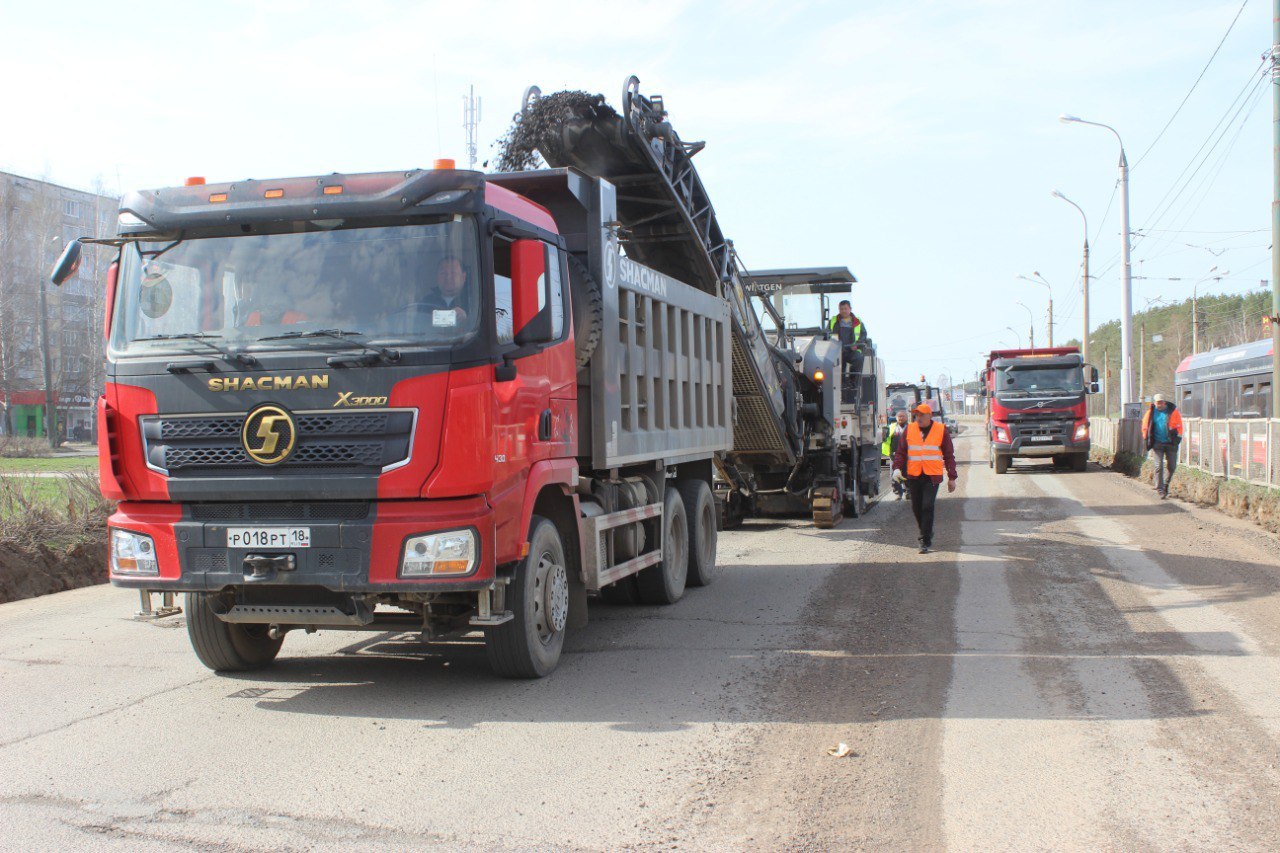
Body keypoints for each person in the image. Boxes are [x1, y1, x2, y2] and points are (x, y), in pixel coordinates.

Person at [891, 402, 958, 553]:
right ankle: (926, 531)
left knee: (927, 506)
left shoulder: (941, 430)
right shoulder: (910, 429)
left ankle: (924, 540)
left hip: (931, 476)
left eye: (921, 415)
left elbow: (949, 455)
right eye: (916, 415)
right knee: (916, 508)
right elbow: (901, 452)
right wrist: (896, 468)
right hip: (913, 476)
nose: (918, 418)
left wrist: (952, 477)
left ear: (930, 416)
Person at [1142, 393, 1183, 499]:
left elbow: (1180, 426)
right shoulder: (1150, 413)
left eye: (1161, 402)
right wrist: (1146, 438)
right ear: (1154, 403)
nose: (1159, 404)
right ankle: (1160, 489)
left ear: (1164, 402)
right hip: (1157, 443)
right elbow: (1145, 426)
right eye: (1157, 402)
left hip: (1171, 443)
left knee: (1172, 467)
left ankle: (1166, 485)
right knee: (1158, 466)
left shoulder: (1173, 411)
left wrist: (1177, 439)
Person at [881, 409, 910, 500]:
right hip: (895, 456)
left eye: (903, 416)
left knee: (908, 474)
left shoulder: (912, 427)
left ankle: (909, 492)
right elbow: (884, 439)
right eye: (899, 416)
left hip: (909, 456)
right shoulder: (891, 427)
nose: (901, 418)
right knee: (894, 475)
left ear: (907, 417)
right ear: (896, 418)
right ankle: (898, 493)